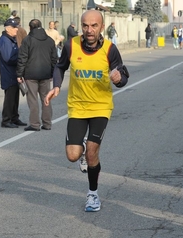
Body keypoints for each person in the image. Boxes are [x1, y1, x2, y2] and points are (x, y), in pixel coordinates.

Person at [44, 10, 129, 212]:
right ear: (81, 26)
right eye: (85, 25)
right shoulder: (71, 45)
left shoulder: (110, 49)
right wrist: (56, 85)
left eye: (94, 26)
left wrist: (119, 80)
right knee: (73, 155)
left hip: (100, 106)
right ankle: (81, 149)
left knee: (92, 151)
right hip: (77, 106)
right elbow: (60, 66)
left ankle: (93, 194)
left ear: (101, 27)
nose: (89, 30)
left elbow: (122, 75)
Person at [16, 19, 57, 131]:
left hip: (30, 74)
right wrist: (53, 73)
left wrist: (19, 74)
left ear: (30, 28)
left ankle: (35, 124)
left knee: (33, 99)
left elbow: (22, 58)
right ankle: (47, 123)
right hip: (46, 74)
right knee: (46, 98)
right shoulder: (49, 41)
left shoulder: (27, 40)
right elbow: (54, 59)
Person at [0, 19, 27, 128]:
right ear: (8, 28)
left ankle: (14, 117)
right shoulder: (5, 40)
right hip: (9, 74)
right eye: (14, 27)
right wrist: (21, 58)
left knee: (15, 98)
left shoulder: (11, 39)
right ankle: (6, 120)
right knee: (9, 98)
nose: (17, 29)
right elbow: (8, 58)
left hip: (14, 74)